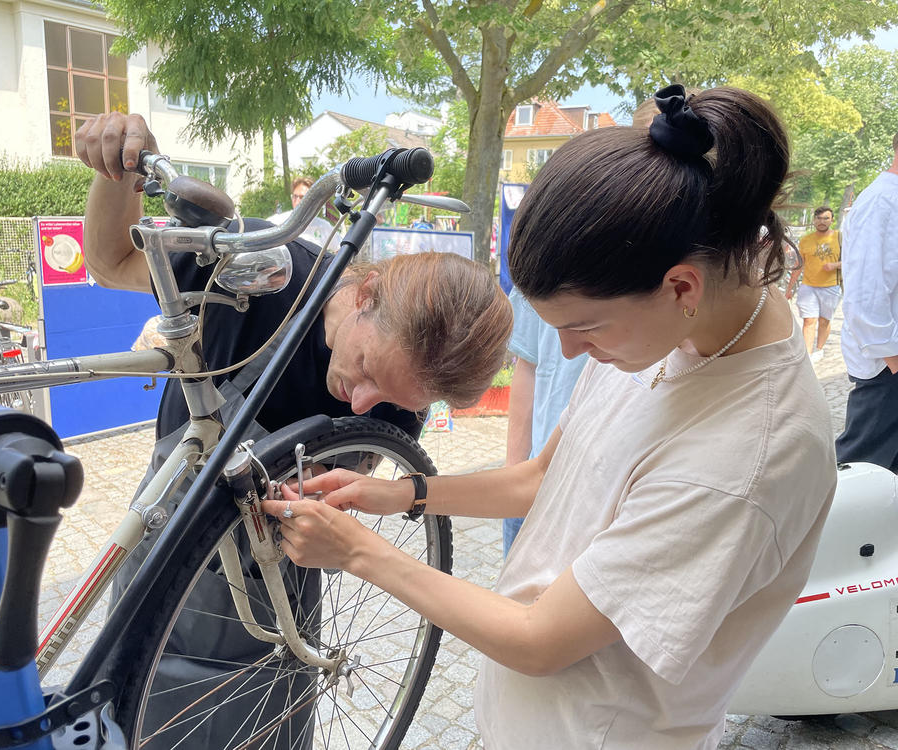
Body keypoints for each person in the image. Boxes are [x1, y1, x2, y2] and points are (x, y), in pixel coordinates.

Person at [267, 85, 837, 749]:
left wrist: (358, 551)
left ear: (682, 286)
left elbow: (541, 641)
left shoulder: (747, 456)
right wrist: (401, 493)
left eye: (585, 327)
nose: (569, 351)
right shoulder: (673, 326)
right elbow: (545, 476)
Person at [74, 111, 513, 745]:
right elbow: (112, 259)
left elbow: (354, 468)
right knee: (133, 715)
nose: (364, 405)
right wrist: (117, 167)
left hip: (281, 589)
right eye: (366, 369)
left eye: (393, 399)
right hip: (166, 547)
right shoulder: (256, 270)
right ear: (363, 295)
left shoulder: (398, 396)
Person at [503, 287, 587, 555]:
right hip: (538, 473)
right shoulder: (537, 264)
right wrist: (514, 471)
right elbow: (528, 364)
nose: (569, 347)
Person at [835, 133, 898, 473]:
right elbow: (865, 293)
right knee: (863, 469)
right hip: (886, 366)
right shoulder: (881, 202)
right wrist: (892, 358)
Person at [784, 206, 842, 361]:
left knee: (824, 321)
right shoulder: (806, 240)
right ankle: (807, 355)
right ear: (814, 220)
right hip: (808, 286)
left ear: (832, 220)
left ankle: (819, 349)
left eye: (826, 218)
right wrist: (789, 289)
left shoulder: (840, 238)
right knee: (809, 320)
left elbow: (852, 260)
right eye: (819, 218)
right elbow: (799, 265)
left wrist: (834, 265)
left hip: (831, 286)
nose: (822, 222)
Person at [267, 175, 341, 251]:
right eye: (295, 196)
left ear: (314, 200)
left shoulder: (323, 227)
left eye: (303, 197)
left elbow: (341, 247)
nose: (298, 201)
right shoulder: (277, 222)